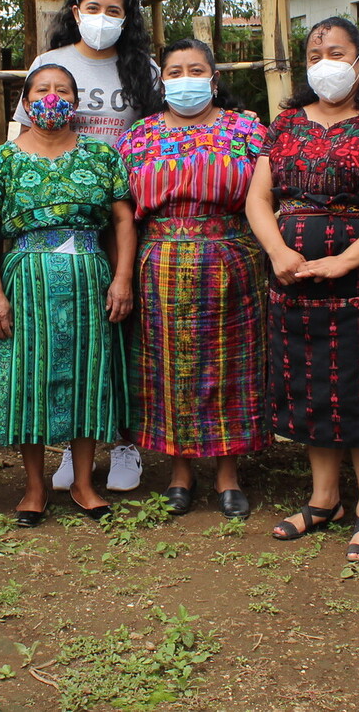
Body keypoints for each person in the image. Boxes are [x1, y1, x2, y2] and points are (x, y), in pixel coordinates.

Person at [245, 16, 359, 563]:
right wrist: (278, 252)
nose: (325, 63)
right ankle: (324, 501)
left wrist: (345, 259)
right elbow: (259, 198)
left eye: (336, 52)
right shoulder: (285, 124)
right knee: (311, 385)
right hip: (295, 278)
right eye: (315, 53)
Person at [14, 0, 162, 494]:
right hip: (67, 217)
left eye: (115, 10)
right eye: (93, 8)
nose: (103, 19)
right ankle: (73, 450)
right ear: (76, 13)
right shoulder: (52, 66)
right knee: (68, 335)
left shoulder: (142, 68)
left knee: (122, 332)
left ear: (128, 17)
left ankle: (125, 443)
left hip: (130, 213)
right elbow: (24, 133)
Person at [0, 64, 137, 527]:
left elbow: (124, 221)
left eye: (62, 90)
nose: (52, 97)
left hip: (90, 276)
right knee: (30, 378)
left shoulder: (101, 156)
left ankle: (85, 483)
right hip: (26, 281)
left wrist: (122, 278)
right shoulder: (3, 159)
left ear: (76, 100)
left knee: (89, 377)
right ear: (26, 102)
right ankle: (34, 486)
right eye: (42, 90)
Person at [116, 39, 270, 519]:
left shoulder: (245, 128)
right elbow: (122, 208)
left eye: (196, 69)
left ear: (214, 78)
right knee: (167, 371)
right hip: (158, 264)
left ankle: (227, 473)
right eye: (176, 71)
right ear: (162, 79)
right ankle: (179, 471)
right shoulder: (138, 135)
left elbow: (268, 194)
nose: (186, 78)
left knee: (231, 368)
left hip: (231, 260)